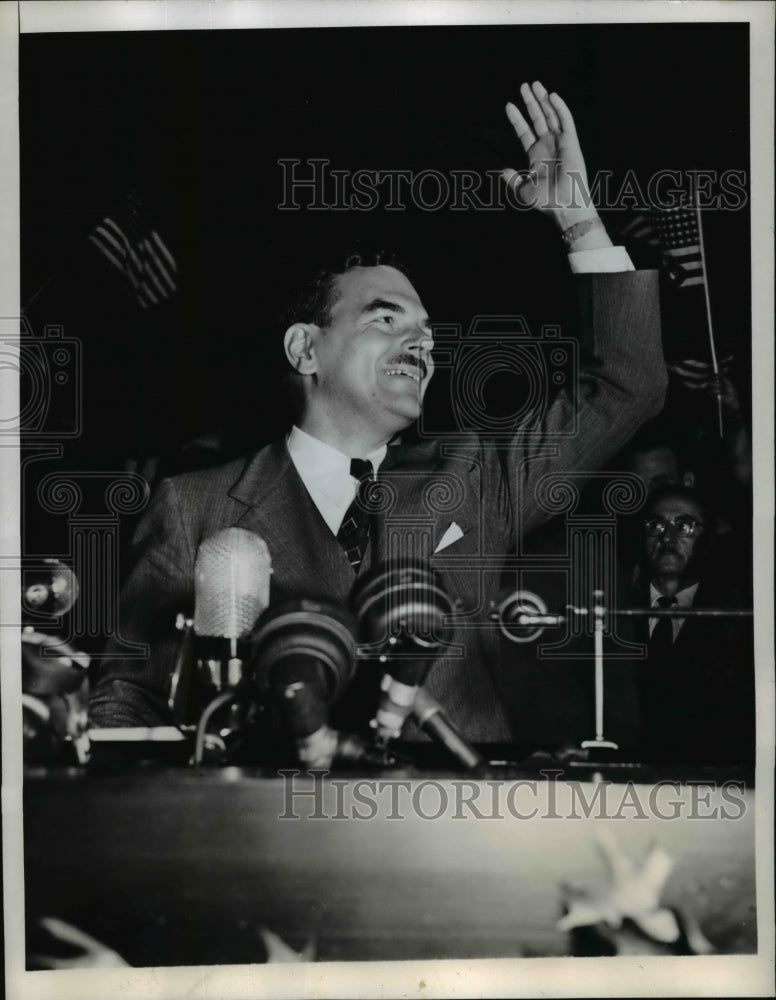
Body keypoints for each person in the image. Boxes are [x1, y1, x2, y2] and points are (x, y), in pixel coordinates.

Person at [90, 81, 666, 741]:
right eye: (385, 319)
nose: (422, 341)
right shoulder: (193, 506)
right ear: (306, 348)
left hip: (459, 822)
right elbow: (126, 705)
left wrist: (579, 220)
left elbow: (629, 382)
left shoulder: (476, 476)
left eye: (425, 328)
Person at [626, 484, 754, 765]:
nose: (668, 537)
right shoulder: (617, 608)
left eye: (685, 526)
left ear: (708, 539)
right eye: (656, 525)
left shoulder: (737, 620)